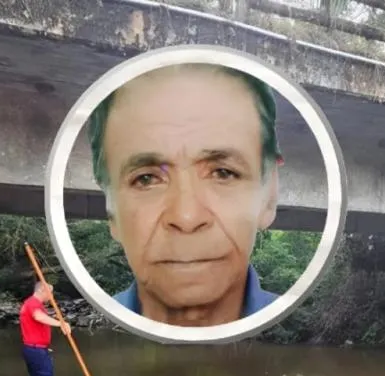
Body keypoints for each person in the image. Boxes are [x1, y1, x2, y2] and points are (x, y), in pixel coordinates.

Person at [86, 62, 285, 327]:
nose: (187, 217)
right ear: (111, 212)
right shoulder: (102, 327)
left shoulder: (292, 324)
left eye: (223, 173)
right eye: (146, 178)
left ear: (269, 196)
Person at [19, 279, 71, 376]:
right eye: (50, 293)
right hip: (35, 350)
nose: (51, 297)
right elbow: (38, 317)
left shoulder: (32, 303)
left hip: (35, 349)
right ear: (42, 290)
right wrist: (60, 323)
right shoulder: (33, 304)